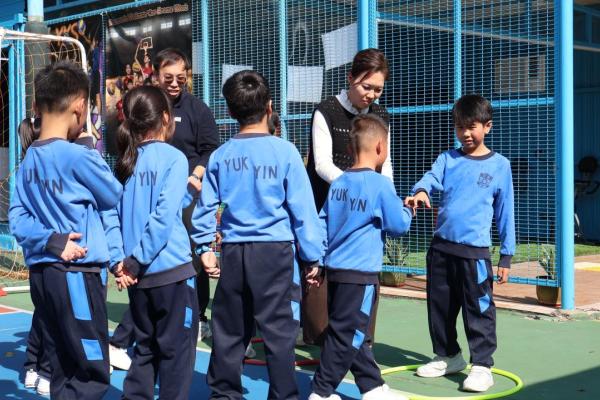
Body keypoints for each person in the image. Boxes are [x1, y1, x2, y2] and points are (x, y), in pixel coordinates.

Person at [191, 70, 323, 399]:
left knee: (230, 328)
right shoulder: (286, 152)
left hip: (234, 252)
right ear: (270, 106)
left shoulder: (220, 155)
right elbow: (304, 212)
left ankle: (224, 394)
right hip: (275, 253)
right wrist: (313, 257)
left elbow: (205, 207)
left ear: (230, 111)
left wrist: (204, 248)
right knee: (279, 331)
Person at [9, 61, 123, 399]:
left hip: (43, 276)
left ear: (36, 107)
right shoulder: (78, 156)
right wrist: (89, 146)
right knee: (90, 369)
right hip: (77, 275)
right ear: (80, 107)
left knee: (61, 362)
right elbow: (113, 194)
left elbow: (17, 218)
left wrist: (49, 240)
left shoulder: (28, 161)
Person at [404, 94, 515, 393]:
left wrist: (506, 255)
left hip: (474, 254)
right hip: (441, 249)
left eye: (471, 126)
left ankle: (482, 365)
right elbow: (430, 178)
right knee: (439, 308)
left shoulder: (500, 166)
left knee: (478, 309)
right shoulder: (447, 159)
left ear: (487, 126)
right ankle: (448, 355)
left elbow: (506, 212)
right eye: (459, 127)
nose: (465, 133)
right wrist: (422, 191)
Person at [309, 114, 412, 400]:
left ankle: (372, 387)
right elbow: (398, 225)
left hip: (337, 271)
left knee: (355, 331)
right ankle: (321, 391)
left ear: (350, 148)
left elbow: (322, 222)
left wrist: (317, 260)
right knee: (348, 335)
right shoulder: (381, 185)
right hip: (361, 274)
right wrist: (408, 209)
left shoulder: (339, 184)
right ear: (380, 147)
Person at [114, 85, 199, 399]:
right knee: (177, 355)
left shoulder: (126, 161)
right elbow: (162, 218)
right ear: (165, 118)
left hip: (138, 278)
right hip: (171, 272)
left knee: (145, 349)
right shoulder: (175, 158)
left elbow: (122, 214)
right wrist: (137, 260)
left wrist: (123, 263)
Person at [304, 48, 392, 346]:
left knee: (362, 275)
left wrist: (386, 197)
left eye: (378, 90)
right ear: (350, 78)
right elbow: (322, 164)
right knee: (321, 273)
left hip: (364, 213)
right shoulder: (326, 111)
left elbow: (385, 164)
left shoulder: (381, 115)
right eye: (366, 87)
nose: (371, 95)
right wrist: (356, 187)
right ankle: (320, 338)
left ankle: (360, 341)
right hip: (328, 206)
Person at [154, 48, 219, 340]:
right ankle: (156, 312)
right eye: (168, 77)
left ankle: (198, 314)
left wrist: (195, 176)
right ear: (156, 75)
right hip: (155, 193)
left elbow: (210, 150)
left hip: (189, 194)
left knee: (194, 255)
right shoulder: (148, 106)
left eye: (181, 77)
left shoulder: (197, 109)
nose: (174, 83)